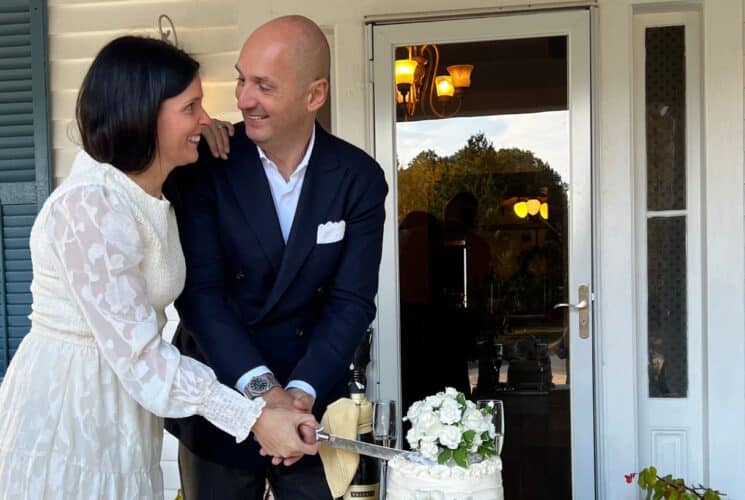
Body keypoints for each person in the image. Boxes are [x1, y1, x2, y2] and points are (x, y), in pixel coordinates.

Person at [0, 36, 319, 500]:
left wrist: (202, 140)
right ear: (143, 113)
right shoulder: (92, 205)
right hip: (72, 407)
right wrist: (251, 417)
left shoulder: (147, 189)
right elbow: (139, 355)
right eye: (191, 108)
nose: (205, 119)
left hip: (124, 405)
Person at [163, 15, 388, 500]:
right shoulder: (204, 165)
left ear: (315, 95)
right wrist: (265, 399)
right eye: (242, 78)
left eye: (263, 85)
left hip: (311, 408)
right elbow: (202, 296)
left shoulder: (359, 178)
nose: (243, 98)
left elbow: (351, 301)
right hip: (221, 394)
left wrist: (299, 396)